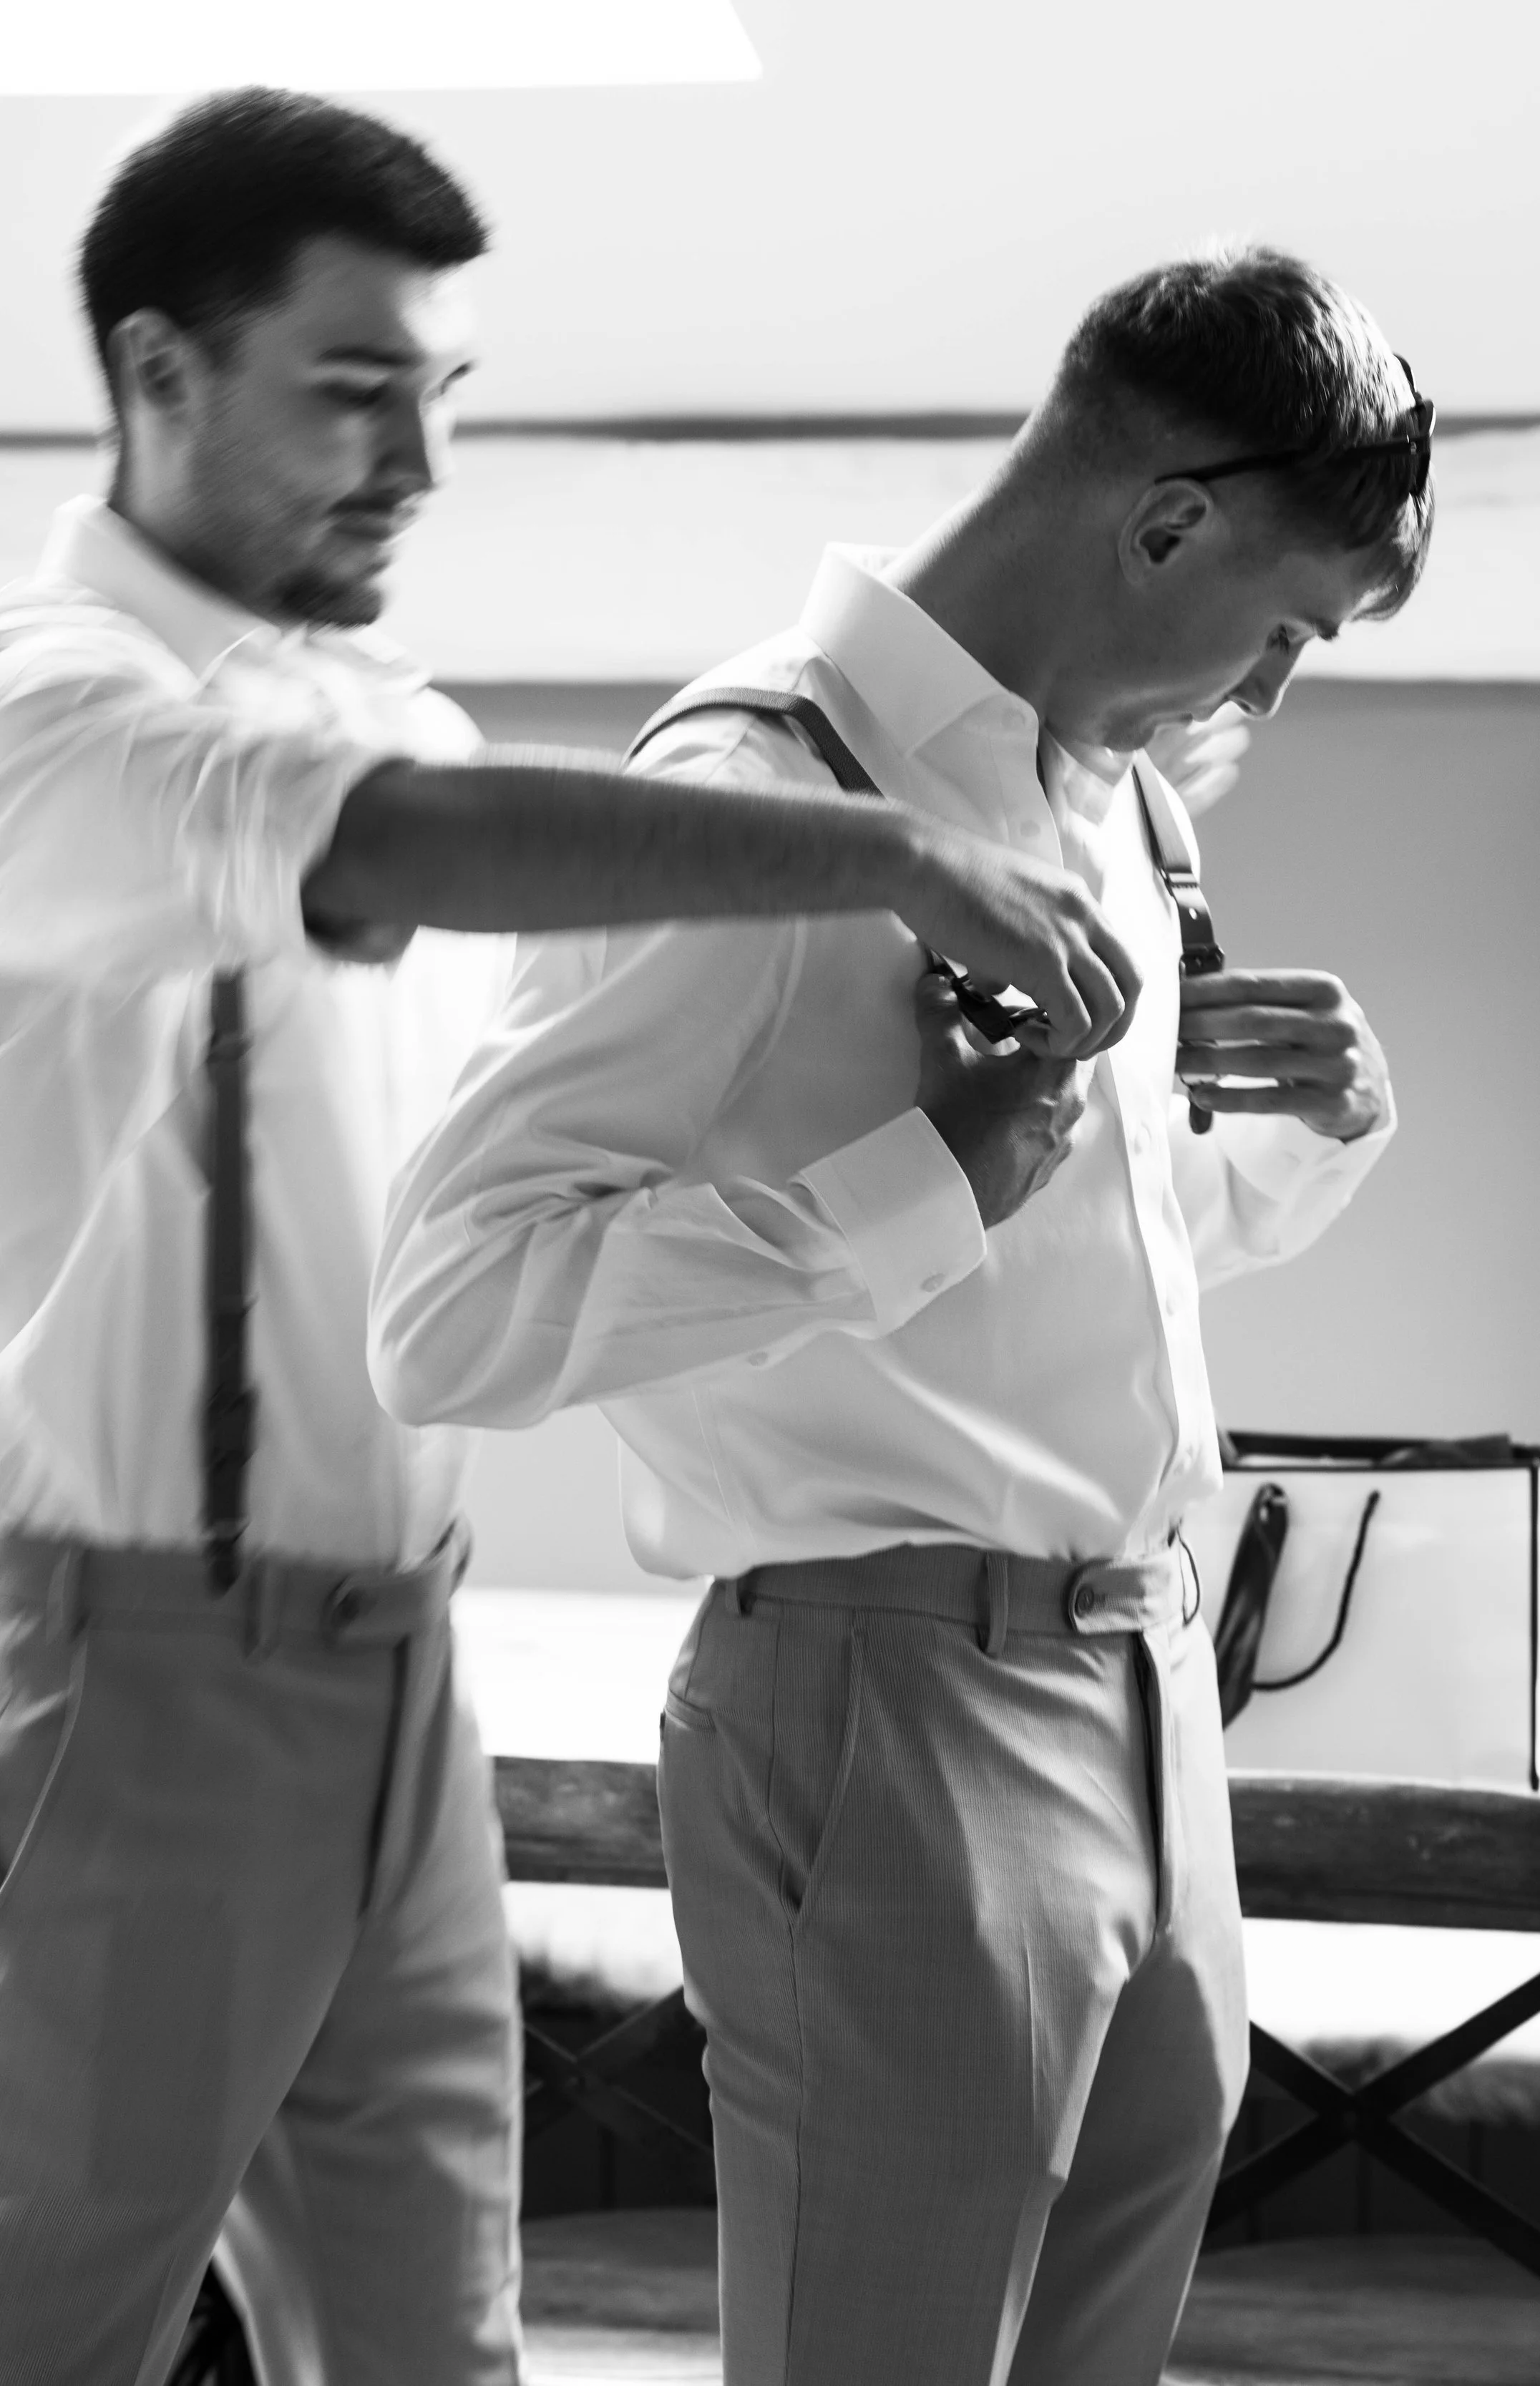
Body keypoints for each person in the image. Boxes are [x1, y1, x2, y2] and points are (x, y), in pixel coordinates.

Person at [0, 87, 1156, 2386]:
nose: (415, 465)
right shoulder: (56, 714)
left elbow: (503, 1199)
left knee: (441, 2349)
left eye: (440, 400)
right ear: (155, 374)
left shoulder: (384, 712)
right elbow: (390, 838)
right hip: (128, 1672)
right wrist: (890, 853)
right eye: (352, 394)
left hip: (402, 1676)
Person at [372, 246, 1433, 2386]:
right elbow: (450, 1314)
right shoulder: (760, 795)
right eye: (1285, 632)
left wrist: (1305, 1146)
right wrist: (917, 1178)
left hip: (1143, 1686)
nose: (1267, 702)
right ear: (1162, 522)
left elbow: (1028, 1283)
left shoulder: (1110, 806)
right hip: (888, 1706)